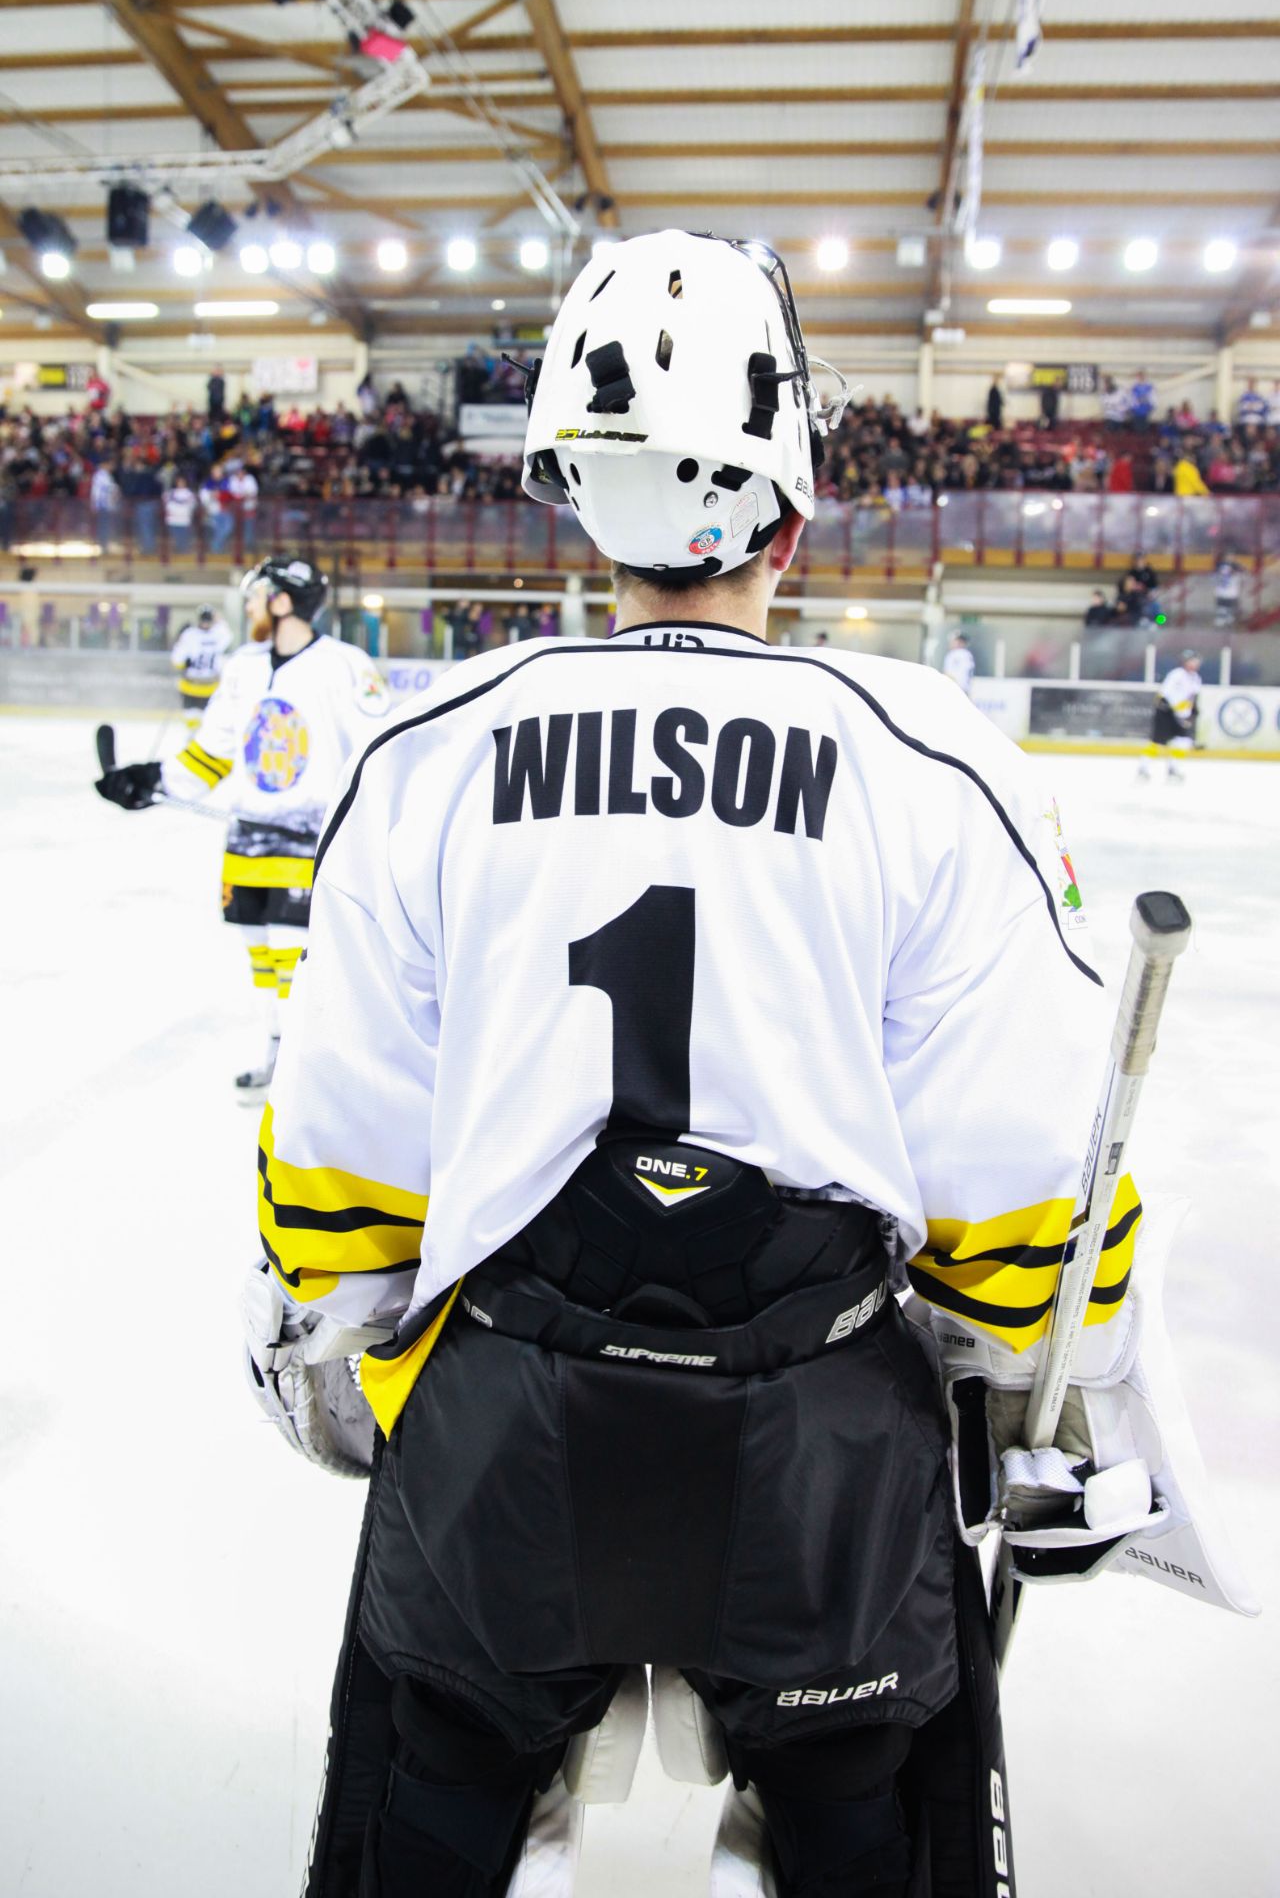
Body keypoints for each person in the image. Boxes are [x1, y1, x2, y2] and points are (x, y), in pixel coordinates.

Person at [243, 230, 1209, 1898]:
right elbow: (1027, 1200)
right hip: (824, 1496)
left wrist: (372, 1399)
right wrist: (1022, 1409)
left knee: (420, 1791)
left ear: (568, 484)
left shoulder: (421, 757)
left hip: (498, 1466)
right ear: (796, 506)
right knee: (872, 1811)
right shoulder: (933, 760)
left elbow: (335, 1180)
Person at [95, 557, 390, 1095]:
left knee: (291, 951)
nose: (248, 606)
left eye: (256, 596)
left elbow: (382, 753)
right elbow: (212, 752)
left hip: (311, 840)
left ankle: (307, 1064)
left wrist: (370, 826)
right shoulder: (243, 667)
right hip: (249, 838)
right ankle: (277, 1053)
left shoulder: (345, 665)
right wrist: (150, 780)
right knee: (259, 949)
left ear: (282, 602)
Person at [1140, 649, 1202, 782]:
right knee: (1157, 743)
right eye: (1192, 660)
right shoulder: (1176, 675)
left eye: (1196, 661)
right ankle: (1143, 769)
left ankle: (1173, 769)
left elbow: (1193, 699)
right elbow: (1163, 695)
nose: (1195, 663)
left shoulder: (1196, 678)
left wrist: (1191, 715)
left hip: (1181, 716)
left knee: (1183, 742)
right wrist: (1169, 711)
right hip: (1166, 714)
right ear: (1185, 661)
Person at [169, 603, 232, 723]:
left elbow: (177, 660)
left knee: (191, 721)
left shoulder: (190, 634)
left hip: (190, 685)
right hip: (210, 686)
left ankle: (191, 738)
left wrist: (184, 664)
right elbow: (227, 634)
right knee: (207, 723)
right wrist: (220, 619)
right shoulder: (219, 634)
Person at [942, 628, 976, 693]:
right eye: (955, 641)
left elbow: (962, 674)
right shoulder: (953, 654)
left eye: (960, 641)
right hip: (956, 687)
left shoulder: (963, 654)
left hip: (958, 688)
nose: (957, 643)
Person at [1214, 556, 1245, 627]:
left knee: (1224, 607)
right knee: (1224, 607)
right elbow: (1242, 574)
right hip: (1227, 593)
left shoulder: (1221, 573)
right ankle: (1224, 619)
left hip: (1224, 593)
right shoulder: (1236, 575)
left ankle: (1224, 619)